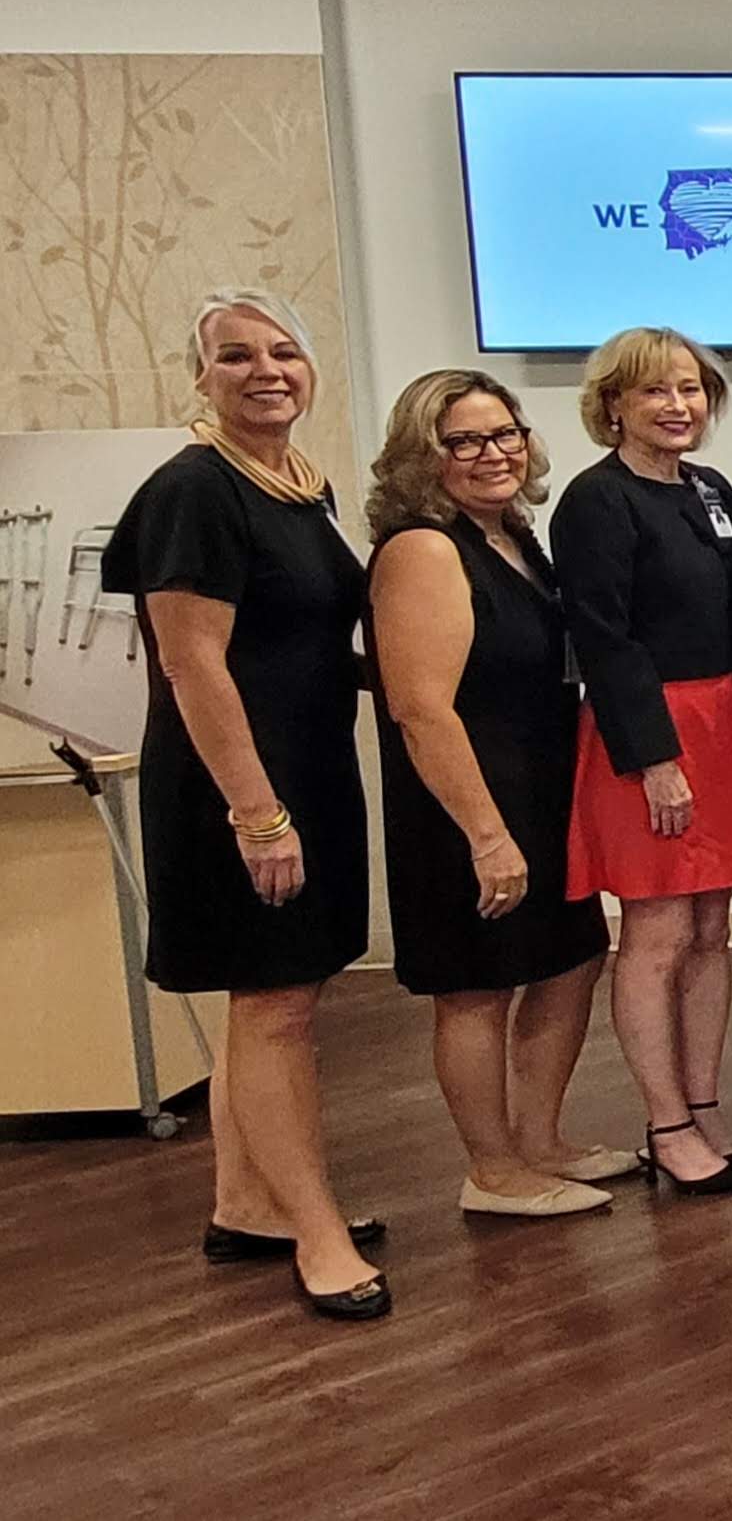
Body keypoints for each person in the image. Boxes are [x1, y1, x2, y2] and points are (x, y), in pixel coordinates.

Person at [100, 289, 389, 1319]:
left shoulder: (299, 486)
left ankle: (246, 1204)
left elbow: (304, 640)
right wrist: (258, 815)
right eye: (235, 356)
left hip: (307, 769)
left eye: (283, 352)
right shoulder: (194, 490)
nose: (265, 370)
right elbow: (192, 663)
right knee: (276, 1009)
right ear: (201, 376)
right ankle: (315, 1232)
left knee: (268, 1003)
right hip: (235, 788)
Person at [366, 371, 624, 1220]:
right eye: (464, 441)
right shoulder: (423, 549)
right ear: (423, 456)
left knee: (570, 959)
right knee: (478, 986)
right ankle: (492, 1169)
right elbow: (420, 708)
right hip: (465, 805)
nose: (493, 453)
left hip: (541, 790)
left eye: (504, 433)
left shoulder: (510, 535)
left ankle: (539, 1142)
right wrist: (485, 833)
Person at [552, 327, 732, 1195]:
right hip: (652, 734)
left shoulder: (710, 489)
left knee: (712, 930)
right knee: (657, 934)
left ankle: (704, 1105)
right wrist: (655, 758)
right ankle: (665, 1123)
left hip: (728, 723)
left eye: (690, 389)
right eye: (655, 390)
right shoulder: (595, 501)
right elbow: (605, 637)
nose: (677, 405)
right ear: (613, 404)